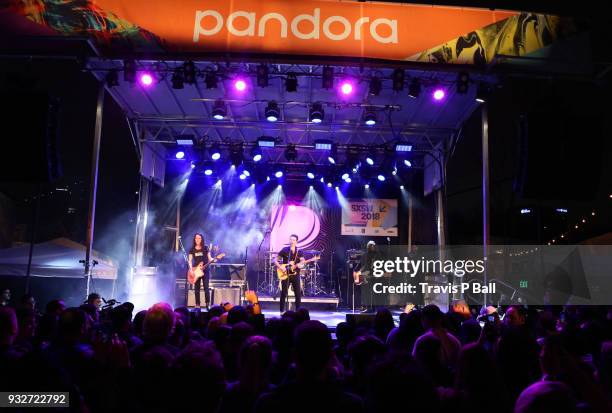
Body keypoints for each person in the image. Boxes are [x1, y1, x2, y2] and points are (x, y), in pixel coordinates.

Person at [275, 234, 305, 313]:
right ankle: (282, 311)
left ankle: (298, 312)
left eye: (293, 240)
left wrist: (301, 263)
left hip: (295, 275)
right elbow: (275, 260)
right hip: (286, 274)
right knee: (283, 293)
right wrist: (280, 267)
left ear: (296, 241)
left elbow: (302, 261)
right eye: (290, 239)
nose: (291, 241)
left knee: (298, 295)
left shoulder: (299, 251)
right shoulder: (285, 250)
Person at [352, 240, 383, 312]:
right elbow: (364, 265)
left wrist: (359, 272)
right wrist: (359, 272)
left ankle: (371, 308)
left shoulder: (376, 255)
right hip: (370, 275)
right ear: (368, 247)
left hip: (374, 275)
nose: (372, 247)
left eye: (373, 246)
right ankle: (369, 307)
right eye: (371, 246)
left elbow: (367, 266)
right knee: (369, 292)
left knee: (372, 292)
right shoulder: (367, 254)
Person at [189, 233, 213, 309]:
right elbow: (190, 261)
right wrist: (191, 270)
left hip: (205, 271)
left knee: (206, 287)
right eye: (196, 238)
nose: (197, 239)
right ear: (194, 239)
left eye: (199, 238)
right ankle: (197, 304)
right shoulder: (192, 249)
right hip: (196, 270)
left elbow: (210, 258)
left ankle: (207, 304)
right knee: (197, 288)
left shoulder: (205, 247)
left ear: (201, 239)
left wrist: (213, 260)